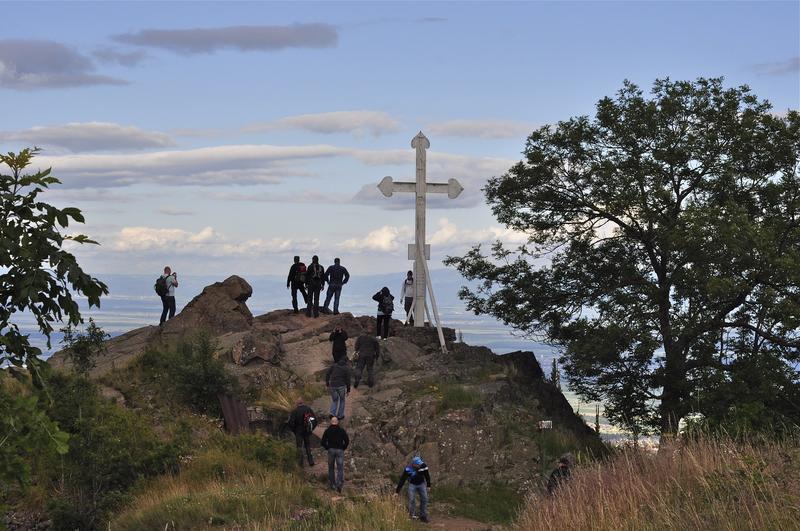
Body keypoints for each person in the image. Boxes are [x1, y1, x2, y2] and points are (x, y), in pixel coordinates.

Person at [396, 456, 432, 523]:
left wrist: (428, 485)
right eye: (418, 464)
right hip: (412, 484)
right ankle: (412, 516)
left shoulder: (423, 465)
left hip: (421, 484)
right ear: (413, 464)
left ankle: (423, 516)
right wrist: (397, 491)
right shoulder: (408, 469)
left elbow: (427, 475)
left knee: (424, 499)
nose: (419, 465)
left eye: (420, 463)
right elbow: (402, 480)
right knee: (411, 499)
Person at [320, 416, 349, 493]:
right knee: (340, 468)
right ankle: (339, 484)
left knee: (331, 467)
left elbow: (323, 442)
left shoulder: (327, 431)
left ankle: (332, 484)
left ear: (331, 422)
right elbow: (347, 440)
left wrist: (327, 447)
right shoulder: (341, 430)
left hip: (331, 450)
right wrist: (343, 447)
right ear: (337, 422)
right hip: (340, 450)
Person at [286, 398, 316, 467]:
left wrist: (294, 430)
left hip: (298, 431)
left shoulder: (294, 411)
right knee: (307, 446)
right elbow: (315, 420)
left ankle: (300, 463)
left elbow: (291, 423)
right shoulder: (308, 409)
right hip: (307, 430)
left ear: (297, 403)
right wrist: (311, 429)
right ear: (303, 402)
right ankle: (311, 461)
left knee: (299, 447)